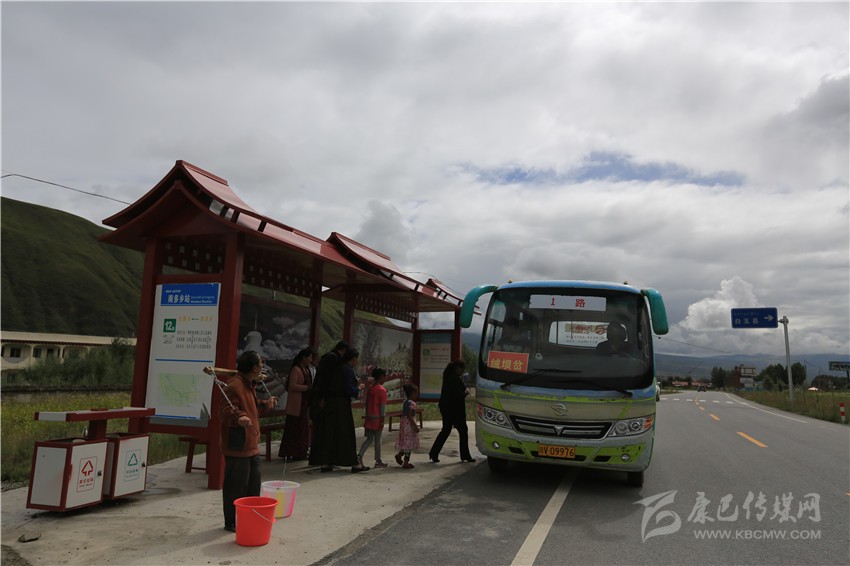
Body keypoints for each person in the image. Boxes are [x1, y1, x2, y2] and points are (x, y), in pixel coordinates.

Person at [218, 351, 278, 532]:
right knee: (235, 488)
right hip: (238, 445)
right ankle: (232, 522)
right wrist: (239, 417)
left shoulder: (248, 384)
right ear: (254, 368)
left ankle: (248, 518)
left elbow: (254, 407)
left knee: (252, 488)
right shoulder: (234, 386)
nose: (262, 367)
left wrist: (267, 403)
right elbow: (226, 411)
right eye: (260, 364)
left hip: (251, 445)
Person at [311, 348, 369, 473]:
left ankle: (325, 462)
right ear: (353, 358)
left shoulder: (337, 369)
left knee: (330, 433)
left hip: (331, 404)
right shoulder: (347, 370)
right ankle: (354, 463)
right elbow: (349, 390)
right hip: (341, 405)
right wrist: (358, 388)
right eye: (356, 358)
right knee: (345, 434)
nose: (357, 361)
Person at [309, 341, 348, 466]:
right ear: (343, 350)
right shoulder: (333, 359)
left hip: (321, 396)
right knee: (325, 430)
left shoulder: (329, 357)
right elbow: (326, 380)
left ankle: (319, 459)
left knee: (321, 430)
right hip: (324, 397)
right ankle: (323, 460)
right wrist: (324, 397)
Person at [428, 359, 475, 463]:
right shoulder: (454, 379)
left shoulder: (449, 377)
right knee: (463, 431)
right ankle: (465, 455)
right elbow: (458, 395)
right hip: (455, 410)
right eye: (462, 370)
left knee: (446, 430)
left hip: (447, 408)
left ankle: (434, 452)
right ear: (458, 368)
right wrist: (465, 394)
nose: (462, 372)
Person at [278, 348, 314, 461]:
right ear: (304, 357)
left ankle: (301, 452)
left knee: (302, 429)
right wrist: (307, 388)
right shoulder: (296, 369)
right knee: (294, 430)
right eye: (309, 357)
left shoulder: (306, 370)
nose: (311, 360)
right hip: (296, 404)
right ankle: (291, 452)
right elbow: (292, 386)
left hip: (304, 403)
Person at [358, 368, 389, 468]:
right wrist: (382, 420)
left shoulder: (371, 388)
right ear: (381, 377)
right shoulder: (382, 390)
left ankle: (359, 456)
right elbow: (382, 407)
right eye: (384, 377)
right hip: (377, 419)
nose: (385, 379)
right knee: (378, 440)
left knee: (369, 439)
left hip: (369, 418)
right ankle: (378, 460)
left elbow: (367, 404)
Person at [394, 383, 420, 469]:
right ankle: (406, 462)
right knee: (409, 444)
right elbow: (410, 416)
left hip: (404, 424)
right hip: (409, 426)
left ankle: (399, 455)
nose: (417, 395)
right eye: (416, 393)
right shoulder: (412, 403)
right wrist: (415, 426)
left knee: (406, 443)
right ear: (412, 393)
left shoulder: (405, 402)